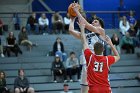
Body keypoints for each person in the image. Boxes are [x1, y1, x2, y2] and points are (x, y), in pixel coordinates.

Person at [69, 3, 106, 93]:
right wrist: (72, 18)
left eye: (96, 21)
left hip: (96, 63)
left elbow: (86, 24)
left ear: (100, 25)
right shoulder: (86, 35)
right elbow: (71, 31)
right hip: (86, 63)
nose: (93, 22)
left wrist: (77, 11)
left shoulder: (101, 31)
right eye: (93, 21)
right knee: (84, 90)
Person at [78, 20, 120, 93]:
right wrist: (110, 43)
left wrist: (82, 29)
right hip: (106, 89)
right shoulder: (107, 59)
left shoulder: (90, 57)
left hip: (94, 89)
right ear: (103, 49)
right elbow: (118, 56)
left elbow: (84, 42)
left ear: (93, 49)